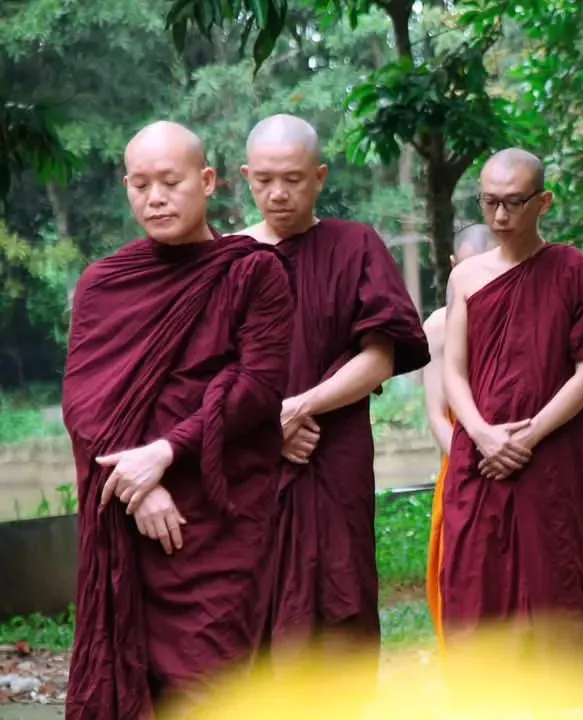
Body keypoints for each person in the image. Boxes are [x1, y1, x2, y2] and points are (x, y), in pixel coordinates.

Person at [62, 121, 295, 718]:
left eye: (170, 181)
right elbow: (85, 406)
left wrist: (164, 453)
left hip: (218, 516)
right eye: (140, 185)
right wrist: (139, 490)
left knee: (208, 685)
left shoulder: (254, 272)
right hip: (130, 512)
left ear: (208, 180)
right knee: (131, 678)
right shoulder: (104, 285)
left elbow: (256, 387)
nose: (155, 198)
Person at [240, 115, 430, 666]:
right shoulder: (224, 260)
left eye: (294, 178)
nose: (278, 193)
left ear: (319, 176)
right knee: (253, 612)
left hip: (333, 456)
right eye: (266, 179)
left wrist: (298, 408)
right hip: (250, 466)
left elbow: (380, 357)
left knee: (339, 606)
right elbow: (203, 376)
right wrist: (263, 432)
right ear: (245, 177)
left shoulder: (355, 246)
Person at [439, 147, 583, 700]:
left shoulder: (578, 273)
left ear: (543, 202)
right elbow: (452, 369)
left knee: (552, 592)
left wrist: (530, 433)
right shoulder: (467, 277)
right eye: (490, 203)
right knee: (476, 593)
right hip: (481, 458)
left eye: (514, 203)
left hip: (550, 461)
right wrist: (482, 432)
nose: (500, 217)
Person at [422, 223, 496, 648]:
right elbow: (436, 415)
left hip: (514, 460)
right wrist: (474, 464)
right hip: (462, 466)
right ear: (452, 267)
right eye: (464, 271)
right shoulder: (437, 327)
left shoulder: (517, 318)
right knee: (457, 570)